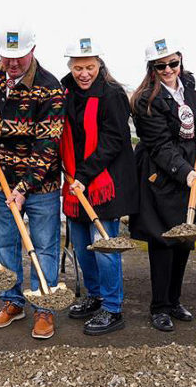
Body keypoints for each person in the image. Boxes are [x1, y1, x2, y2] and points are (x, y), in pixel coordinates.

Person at [0, 25, 65, 339]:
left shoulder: (50, 88)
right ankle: (12, 302)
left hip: (40, 185)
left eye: (19, 57)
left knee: (43, 247)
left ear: (32, 50)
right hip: (0, 179)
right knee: (5, 244)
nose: (12, 63)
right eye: (7, 56)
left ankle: (43, 307)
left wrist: (23, 188)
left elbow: (47, 145)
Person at [59, 37, 138, 335]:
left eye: (89, 67)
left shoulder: (112, 94)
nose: (83, 73)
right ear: (70, 66)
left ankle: (113, 307)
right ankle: (94, 296)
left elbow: (115, 139)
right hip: (75, 183)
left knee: (105, 247)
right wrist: (72, 175)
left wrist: (85, 174)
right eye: (78, 67)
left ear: (99, 64)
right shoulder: (65, 92)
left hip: (105, 183)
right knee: (82, 246)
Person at [129, 38, 196, 332]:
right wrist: (184, 172)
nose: (168, 69)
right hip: (161, 174)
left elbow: (194, 122)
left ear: (180, 60)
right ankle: (159, 307)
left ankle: (175, 300)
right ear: (152, 67)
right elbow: (160, 146)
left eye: (172, 63)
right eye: (160, 65)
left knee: (185, 238)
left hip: (191, 167)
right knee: (163, 240)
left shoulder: (187, 85)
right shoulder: (144, 100)